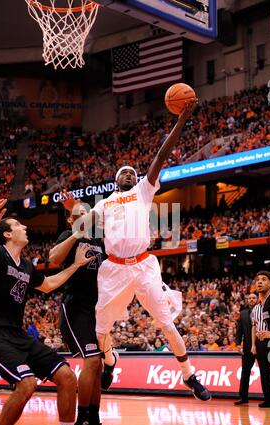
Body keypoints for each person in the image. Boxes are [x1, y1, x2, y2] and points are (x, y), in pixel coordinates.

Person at [72, 102, 211, 402]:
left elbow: (161, 155)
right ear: (115, 180)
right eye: (124, 173)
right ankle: (110, 362)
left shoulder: (143, 191)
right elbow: (83, 225)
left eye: (133, 173)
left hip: (144, 265)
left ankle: (189, 375)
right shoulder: (105, 203)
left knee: (165, 321)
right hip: (114, 268)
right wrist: (74, 214)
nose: (130, 175)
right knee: (100, 329)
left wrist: (182, 121)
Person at [0, 198, 94, 425]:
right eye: (19, 225)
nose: (25, 228)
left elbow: (49, 285)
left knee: (67, 377)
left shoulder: (28, 266)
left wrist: (75, 265)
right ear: (8, 234)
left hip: (18, 335)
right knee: (27, 383)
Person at [49, 199, 118, 425]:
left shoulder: (101, 242)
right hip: (74, 307)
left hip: (95, 309)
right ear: (71, 219)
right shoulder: (70, 235)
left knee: (97, 365)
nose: (84, 217)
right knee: (91, 361)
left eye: (87, 214)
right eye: (78, 214)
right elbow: (54, 259)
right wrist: (77, 231)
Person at [251, 271, 270, 408]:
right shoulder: (259, 306)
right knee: (264, 371)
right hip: (262, 341)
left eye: (264, 279)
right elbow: (254, 326)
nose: (259, 282)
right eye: (257, 280)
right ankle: (268, 399)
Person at [234, 292, 258, 405]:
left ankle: (269, 398)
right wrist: (238, 344)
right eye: (250, 298)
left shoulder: (263, 311)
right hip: (247, 347)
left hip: (263, 346)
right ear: (247, 300)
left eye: (254, 298)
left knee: (265, 372)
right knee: (245, 372)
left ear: (257, 299)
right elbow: (239, 331)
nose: (252, 300)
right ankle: (243, 397)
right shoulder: (242, 314)